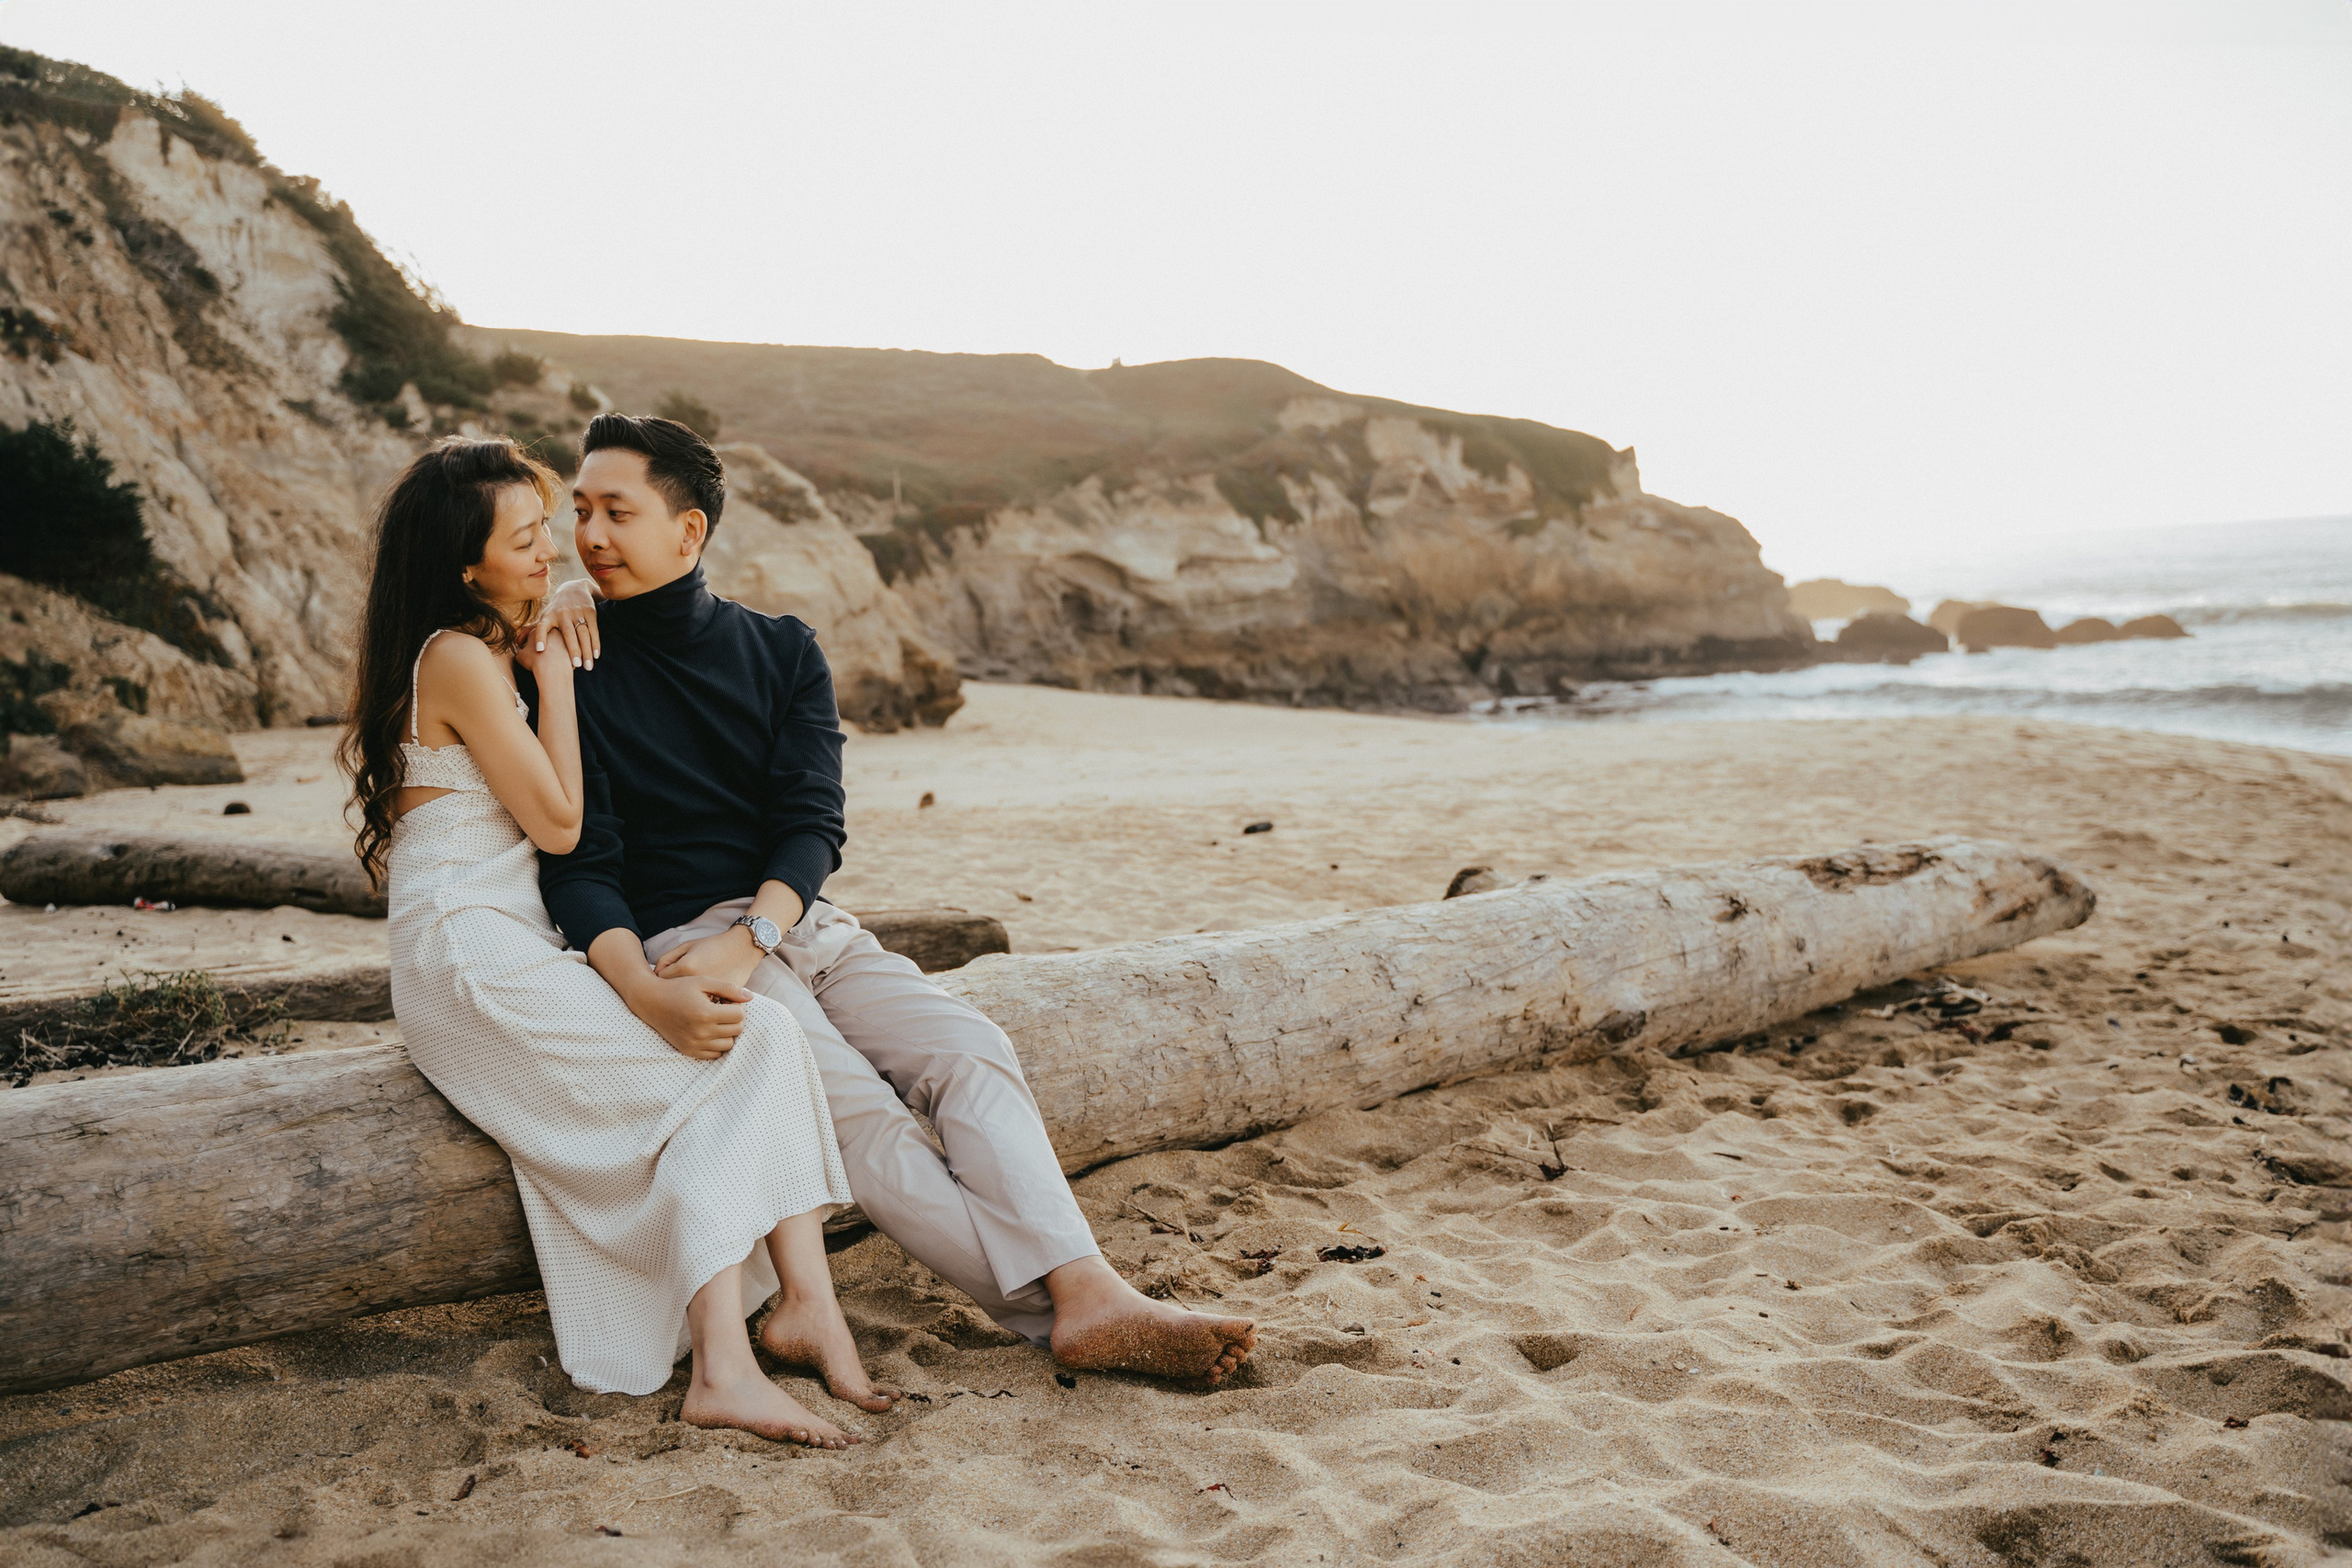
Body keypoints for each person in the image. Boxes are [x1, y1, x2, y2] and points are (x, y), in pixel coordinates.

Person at [534, 413, 1256, 1387]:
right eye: (579, 513)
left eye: (616, 512)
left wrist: (762, 931)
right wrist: (663, 969)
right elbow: (578, 859)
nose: (590, 535)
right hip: (682, 942)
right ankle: (1068, 1313)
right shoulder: (568, 665)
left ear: (690, 530)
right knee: (863, 1122)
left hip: (797, 923)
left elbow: (812, 820)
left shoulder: (782, 649)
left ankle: (1087, 1285)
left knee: (969, 1050)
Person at [342, 437, 883, 1448]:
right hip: (467, 958)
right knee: (731, 1053)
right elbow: (558, 825)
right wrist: (556, 674)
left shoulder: (488, 645)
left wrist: (547, 652)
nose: (556, 551)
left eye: (552, 529)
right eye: (527, 537)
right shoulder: (455, 658)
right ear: (466, 563)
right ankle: (735, 1358)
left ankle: (792, 1320)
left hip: (510, 945)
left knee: (753, 1037)